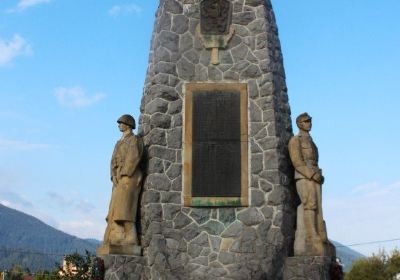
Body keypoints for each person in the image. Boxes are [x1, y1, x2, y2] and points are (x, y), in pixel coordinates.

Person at [288, 113, 334, 256]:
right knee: (310, 205)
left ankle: (320, 234)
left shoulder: (311, 141)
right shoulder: (296, 141)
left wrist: (319, 175)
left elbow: (315, 160)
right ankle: (312, 236)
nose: (309, 123)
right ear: (300, 124)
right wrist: (312, 174)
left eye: (309, 121)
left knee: (318, 208)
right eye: (306, 121)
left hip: (315, 176)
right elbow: (297, 162)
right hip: (304, 177)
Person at [102, 114, 143, 246]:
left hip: (128, 178)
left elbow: (134, 157)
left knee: (124, 208)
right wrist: (113, 175)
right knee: (114, 209)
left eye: (121, 123)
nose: (119, 125)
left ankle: (130, 237)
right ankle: (116, 235)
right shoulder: (118, 142)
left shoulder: (134, 140)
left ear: (128, 124)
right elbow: (113, 160)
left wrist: (125, 172)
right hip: (118, 179)